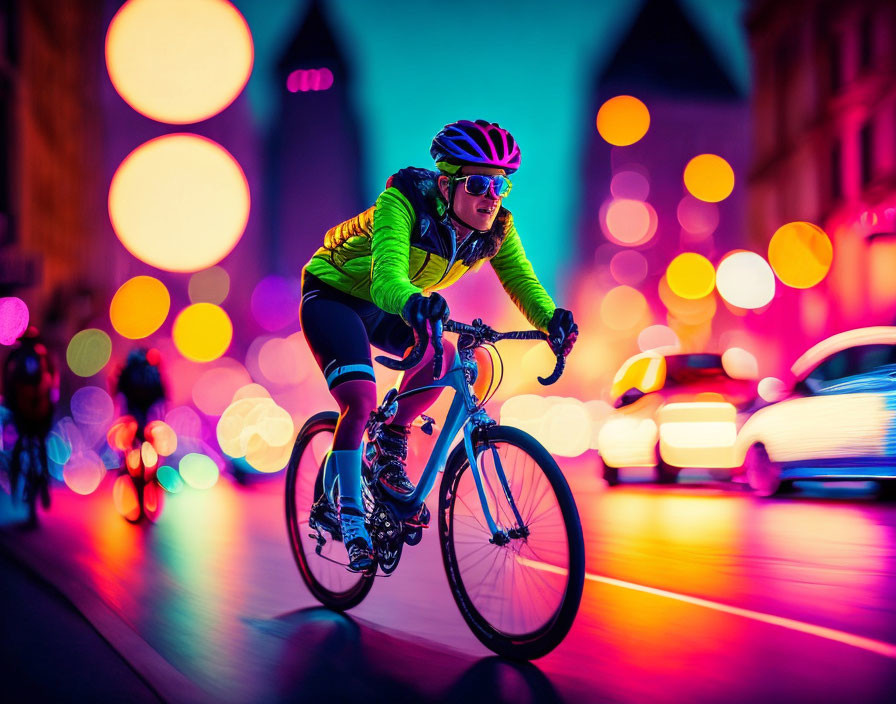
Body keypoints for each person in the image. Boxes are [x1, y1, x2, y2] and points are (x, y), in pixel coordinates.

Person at [300, 119, 578, 571]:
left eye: (501, 185)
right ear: (447, 185)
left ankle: (389, 441)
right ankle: (349, 516)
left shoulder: (495, 230)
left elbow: (521, 280)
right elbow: (387, 277)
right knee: (360, 397)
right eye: (479, 183)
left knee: (445, 357)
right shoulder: (402, 202)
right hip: (336, 295)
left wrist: (551, 320)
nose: (492, 195)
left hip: (393, 303)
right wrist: (414, 304)